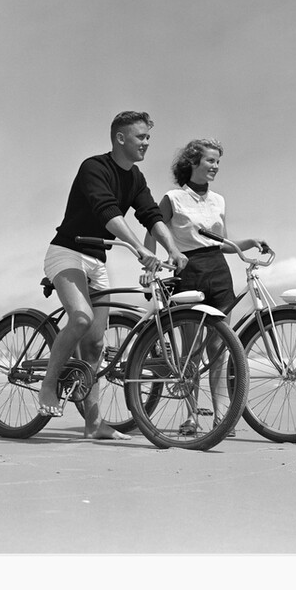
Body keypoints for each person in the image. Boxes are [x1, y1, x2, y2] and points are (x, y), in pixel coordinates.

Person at [36, 111, 189, 440]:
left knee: (94, 345)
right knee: (79, 318)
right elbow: (107, 210)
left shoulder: (135, 179)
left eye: (149, 137)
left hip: (96, 260)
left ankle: (94, 425)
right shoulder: (94, 168)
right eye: (141, 137)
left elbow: (150, 214)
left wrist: (173, 249)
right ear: (121, 138)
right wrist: (138, 247)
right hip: (67, 252)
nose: (146, 143)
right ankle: (49, 386)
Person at [144, 138, 267, 436]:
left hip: (219, 273)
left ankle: (221, 418)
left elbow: (221, 243)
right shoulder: (172, 198)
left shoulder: (219, 200)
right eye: (210, 161)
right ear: (192, 162)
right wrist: (147, 267)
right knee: (191, 351)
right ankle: (191, 417)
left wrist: (249, 242)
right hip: (188, 272)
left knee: (219, 348)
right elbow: (152, 234)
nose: (215, 167)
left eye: (217, 163)